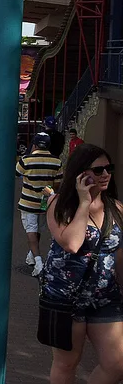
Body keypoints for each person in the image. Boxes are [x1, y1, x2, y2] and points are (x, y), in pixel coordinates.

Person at [41, 143, 123, 382]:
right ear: (80, 173)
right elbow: (73, 243)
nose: (106, 174)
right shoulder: (60, 205)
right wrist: (84, 203)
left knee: (116, 364)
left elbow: (119, 254)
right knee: (67, 364)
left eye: (109, 168)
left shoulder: (117, 208)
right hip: (66, 299)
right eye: (98, 170)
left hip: (105, 298)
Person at [17, 132, 63, 277]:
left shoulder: (26, 160)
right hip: (45, 203)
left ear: (34, 145)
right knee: (38, 231)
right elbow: (58, 183)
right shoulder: (57, 162)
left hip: (28, 202)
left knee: (31, 230)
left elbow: (17, 172)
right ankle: (32, 255)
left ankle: (38, 262)